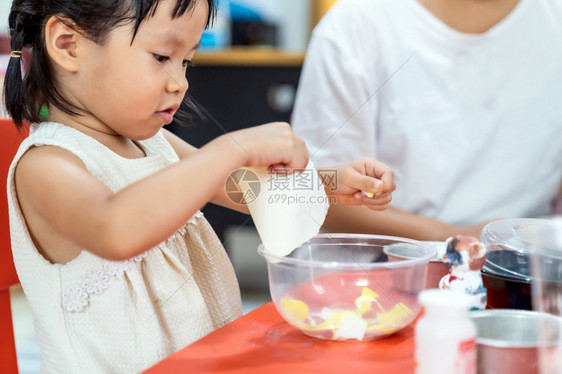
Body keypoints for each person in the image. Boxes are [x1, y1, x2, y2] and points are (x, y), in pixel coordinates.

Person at [3, 0, 395, 372]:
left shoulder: (150, 141)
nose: (180, 83)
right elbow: (115, 230)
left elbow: (238, 188)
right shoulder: (46, 164)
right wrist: (231, 148)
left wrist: (329, 182)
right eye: (161, 57)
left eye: (186, 61)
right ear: (68, 45)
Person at [292, 0, 562, 241]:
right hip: (378, 269)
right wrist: (458, 239)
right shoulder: (356, 23)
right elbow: (319, 197)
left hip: (529, 270)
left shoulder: (552, 20)